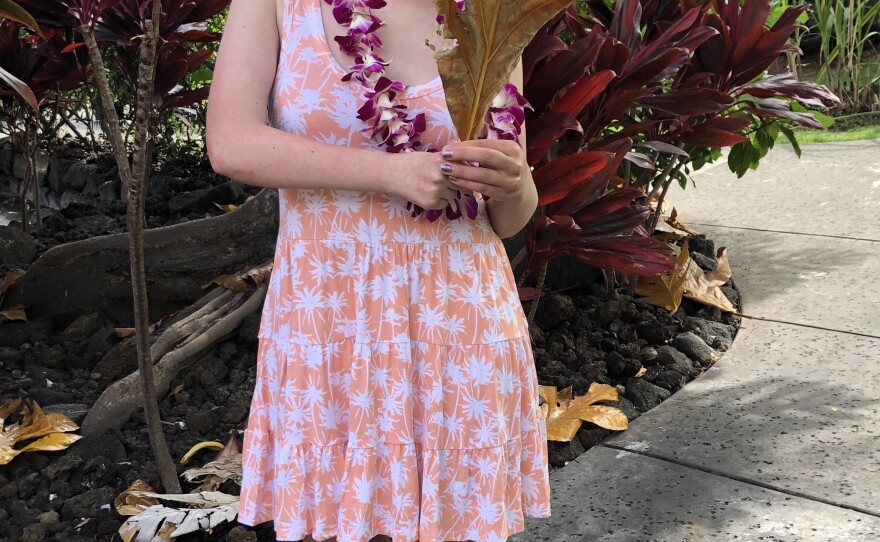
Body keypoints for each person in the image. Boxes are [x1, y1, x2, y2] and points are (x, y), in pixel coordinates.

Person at [205, 0, 552, 540]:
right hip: (329, 327)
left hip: (457, 329)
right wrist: (388, 173)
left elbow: (510, 218)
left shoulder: (489, 11)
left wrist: (514, 181)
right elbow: (231, 143)